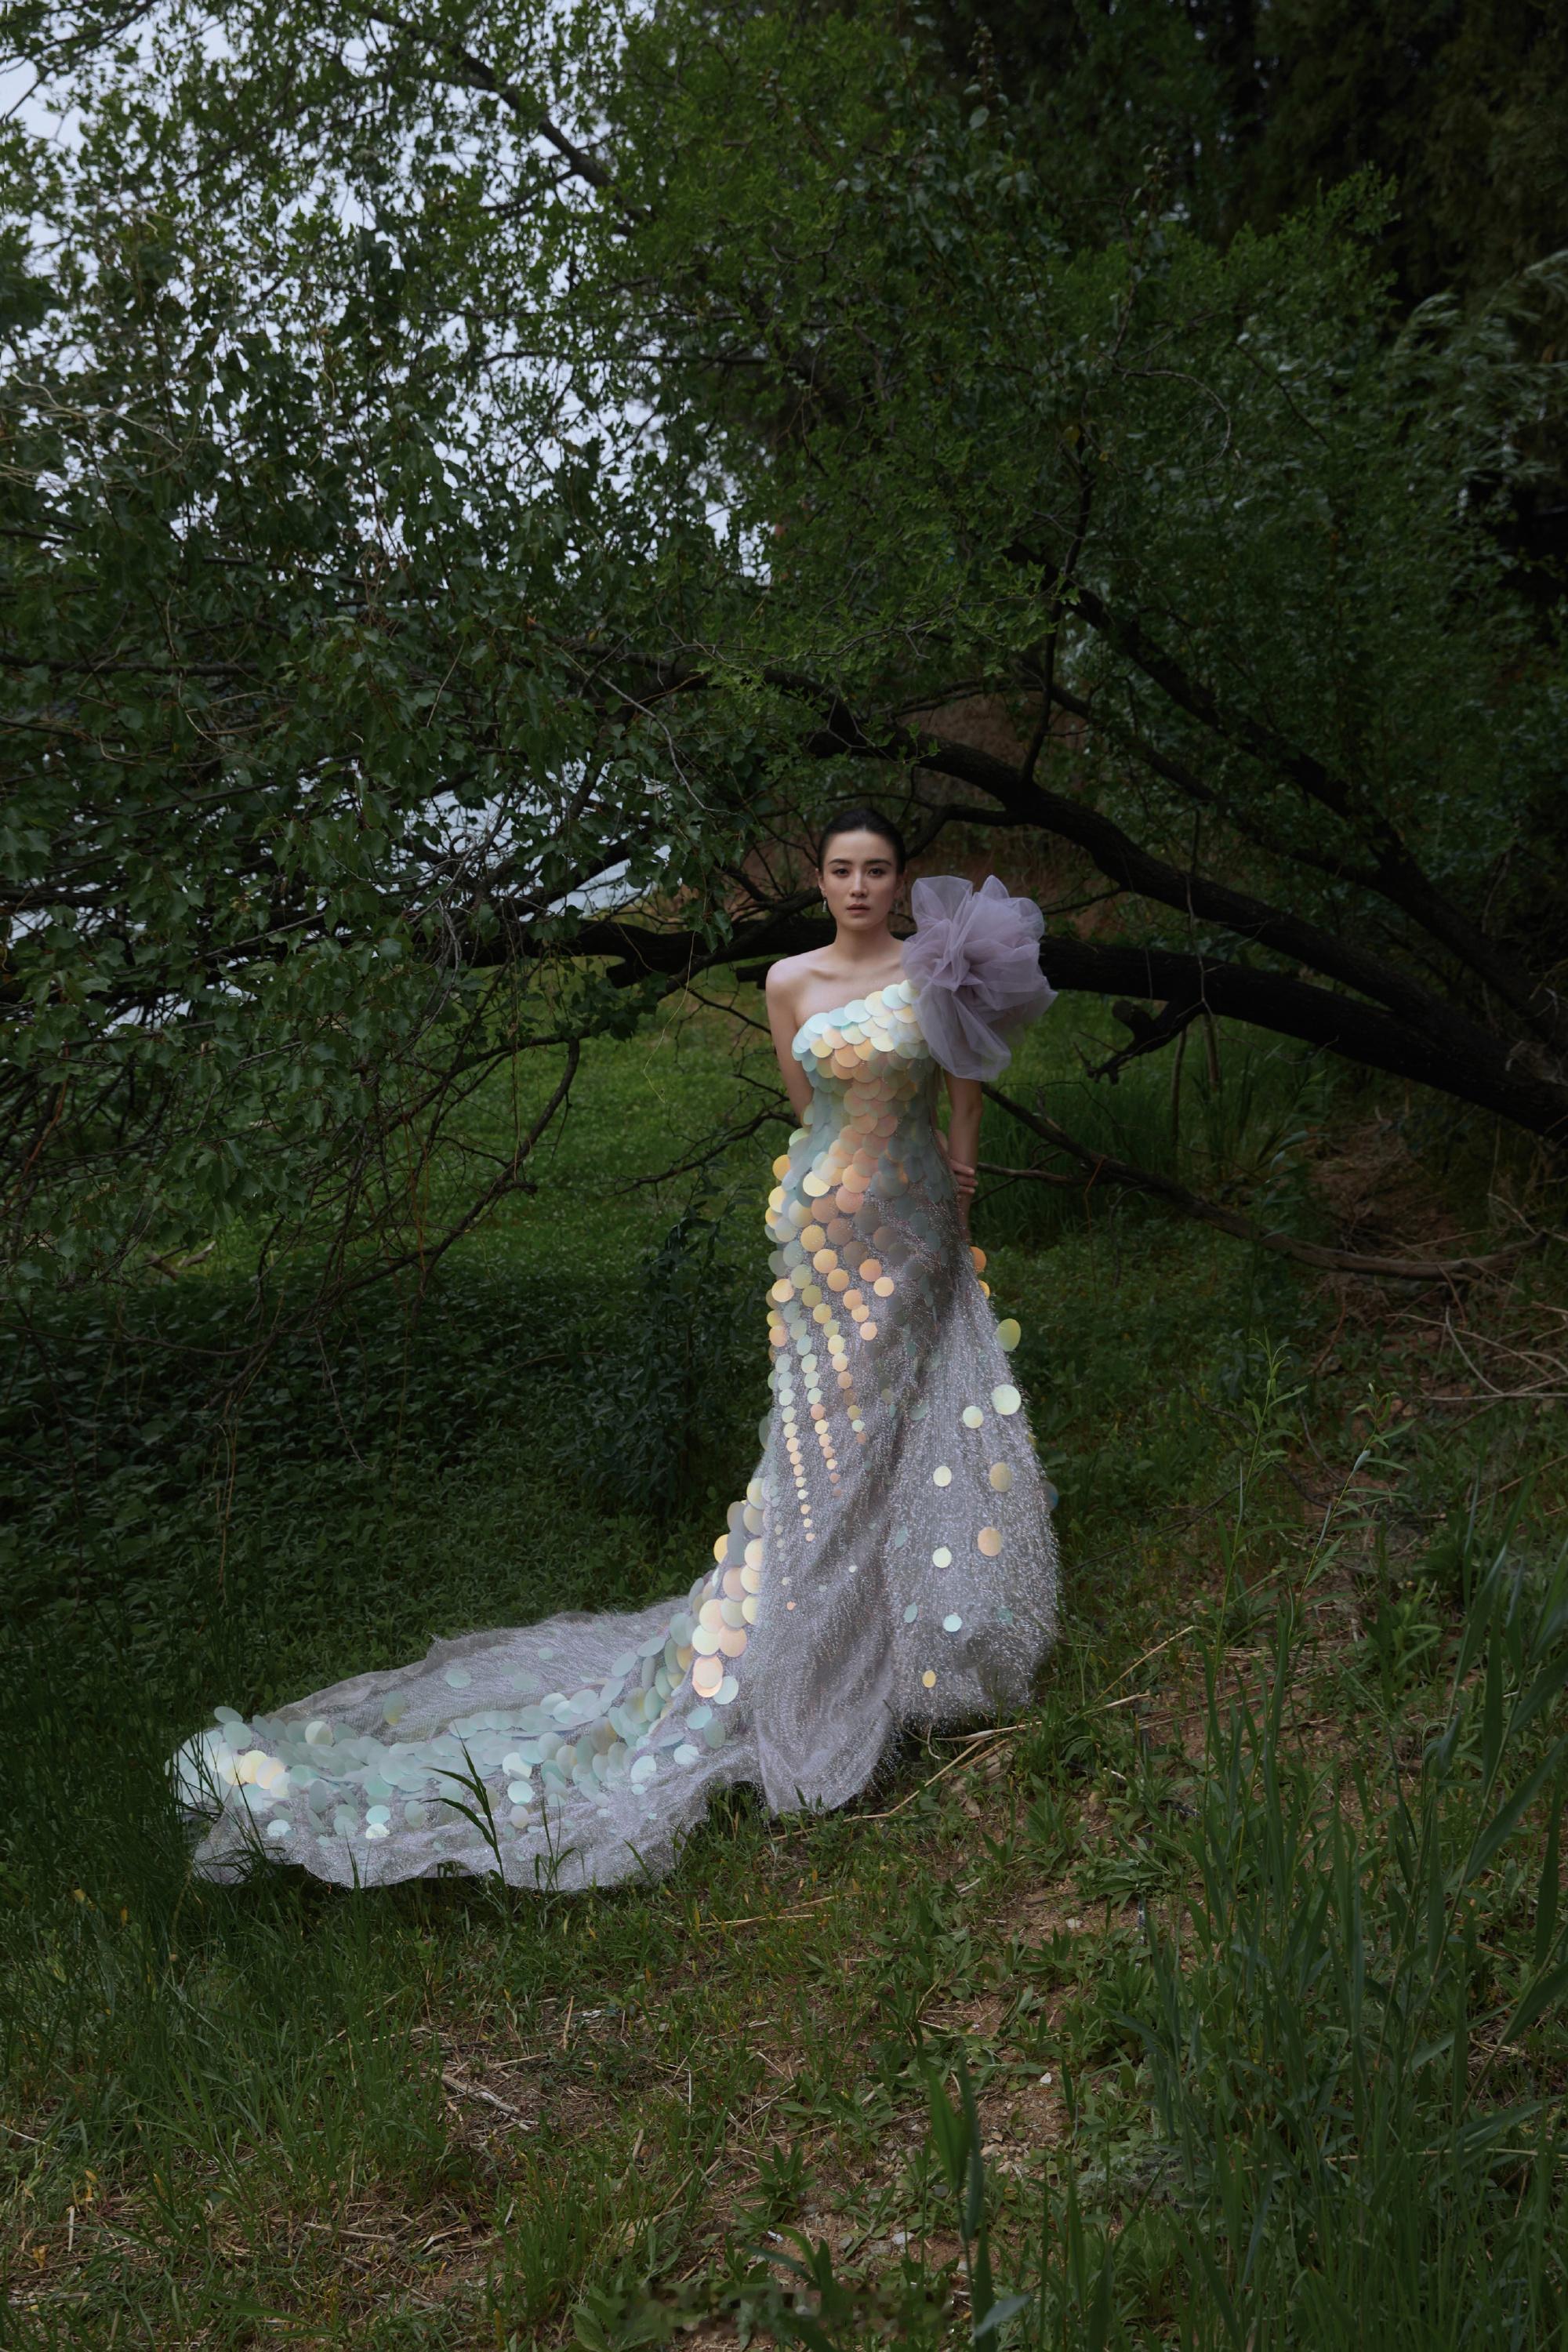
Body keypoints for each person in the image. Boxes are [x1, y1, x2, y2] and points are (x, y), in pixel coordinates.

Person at [170, 808, 1061, 1889]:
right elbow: (810, 1111)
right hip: (825, 1235)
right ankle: (804, 1662)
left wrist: (958, 1190)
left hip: (913, 1226)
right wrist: (840, 1200)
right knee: (819, 1443)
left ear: (901, 878)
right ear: (820, 881)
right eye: (842, 870)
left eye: (877, 869)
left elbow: (964, 1096)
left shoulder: (936, 974)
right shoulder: (788, 982)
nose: (860, 887)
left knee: (889, 1431)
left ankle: (892, 1646)